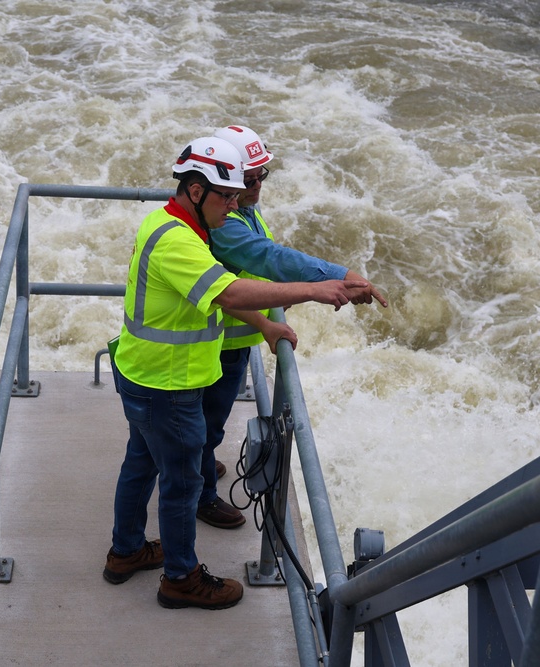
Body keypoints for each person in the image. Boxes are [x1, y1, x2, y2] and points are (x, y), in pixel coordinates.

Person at [102, 136, 371, 610]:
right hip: (169, 385)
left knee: (140, 465)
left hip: (144, 374)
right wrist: (311, 291)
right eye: (227, 195)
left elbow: (215, 293)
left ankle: (125, 552)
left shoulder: (170, 224)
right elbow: (227, 294)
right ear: (195, 190)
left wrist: (267, 324)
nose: (235, 204)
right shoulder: (179, 242)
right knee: (182, 486)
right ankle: (181, 579)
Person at [195, 124, 388, 530]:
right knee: (207, 420)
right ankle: (201, 493)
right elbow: (268, 259)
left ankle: (198, 461)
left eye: (261, 176)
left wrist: (265, 324)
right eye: (247, 180)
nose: (256, 187)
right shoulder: (226, 222)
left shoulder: (238, 207)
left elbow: (227, 280)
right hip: (215, 343)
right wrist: (337, 276)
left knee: (206, 421)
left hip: (226, 336)